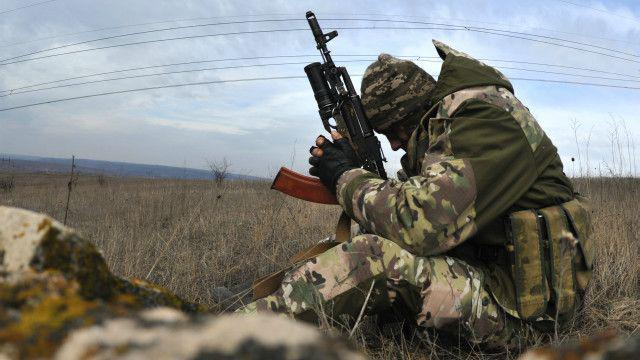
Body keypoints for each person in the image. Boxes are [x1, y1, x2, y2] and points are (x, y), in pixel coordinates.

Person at [237, 40, 593, 348]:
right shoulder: (453, 126)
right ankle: (267, 301)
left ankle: (233, 333)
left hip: (526, 318)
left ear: (416, 112)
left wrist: (345, 176)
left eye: (394, 130)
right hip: (493, 281)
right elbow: (402, 203)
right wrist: (351, 173)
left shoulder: (486, 119)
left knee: (372, 255)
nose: (393, 145)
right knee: (365, 234)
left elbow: (417, 226)